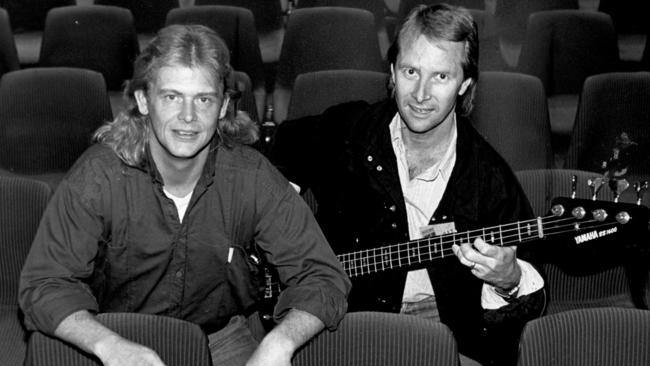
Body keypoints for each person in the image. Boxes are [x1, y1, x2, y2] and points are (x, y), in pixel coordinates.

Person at [19, 24, 350, 366]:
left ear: (223, 106)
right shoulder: (98, 176)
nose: (188, 117)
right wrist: (108, 345)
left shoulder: (252, 177)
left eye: (203, 99)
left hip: (220, 340)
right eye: (172, 97)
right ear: (144, 101)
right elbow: (45, 284)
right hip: (116, 334)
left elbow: (323, 276)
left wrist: (280, 342)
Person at [271, 4, 545, 366]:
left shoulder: (489, 177)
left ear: (464, 84)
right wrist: (274, 231)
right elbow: (274, 159)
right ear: (392, 72)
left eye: (441, 77)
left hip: (442, 332)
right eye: (411, 71)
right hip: (341, 320)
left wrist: (508, 280)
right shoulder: (349, 129)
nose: (420, 93)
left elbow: (532, 300)